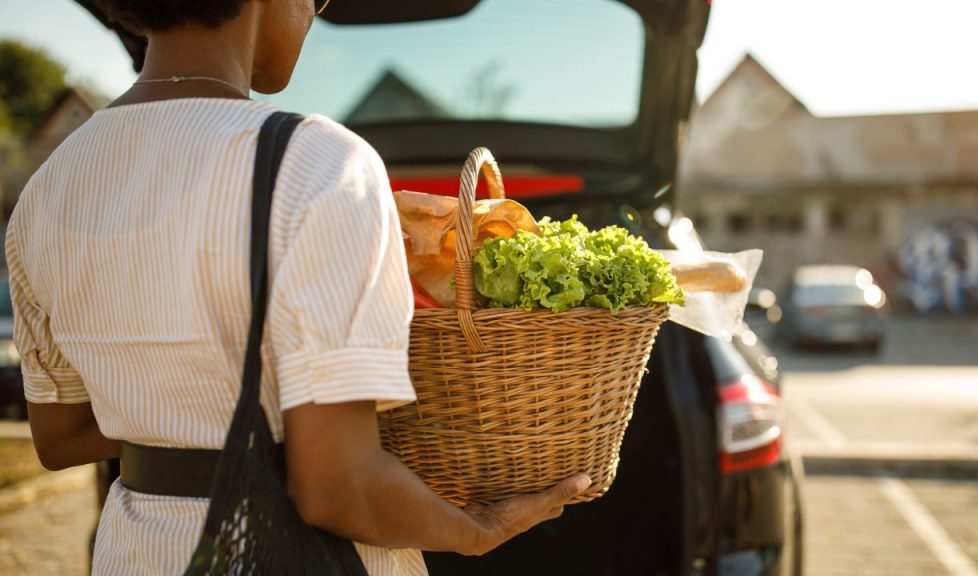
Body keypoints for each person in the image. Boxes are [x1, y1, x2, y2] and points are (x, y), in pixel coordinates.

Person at [6, 0, 590, 573]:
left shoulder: (51, 183)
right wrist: (478, 532)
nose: (313, 16)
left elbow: (62, 436)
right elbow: (338, 488)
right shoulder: (318, 162)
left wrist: (176, 410)